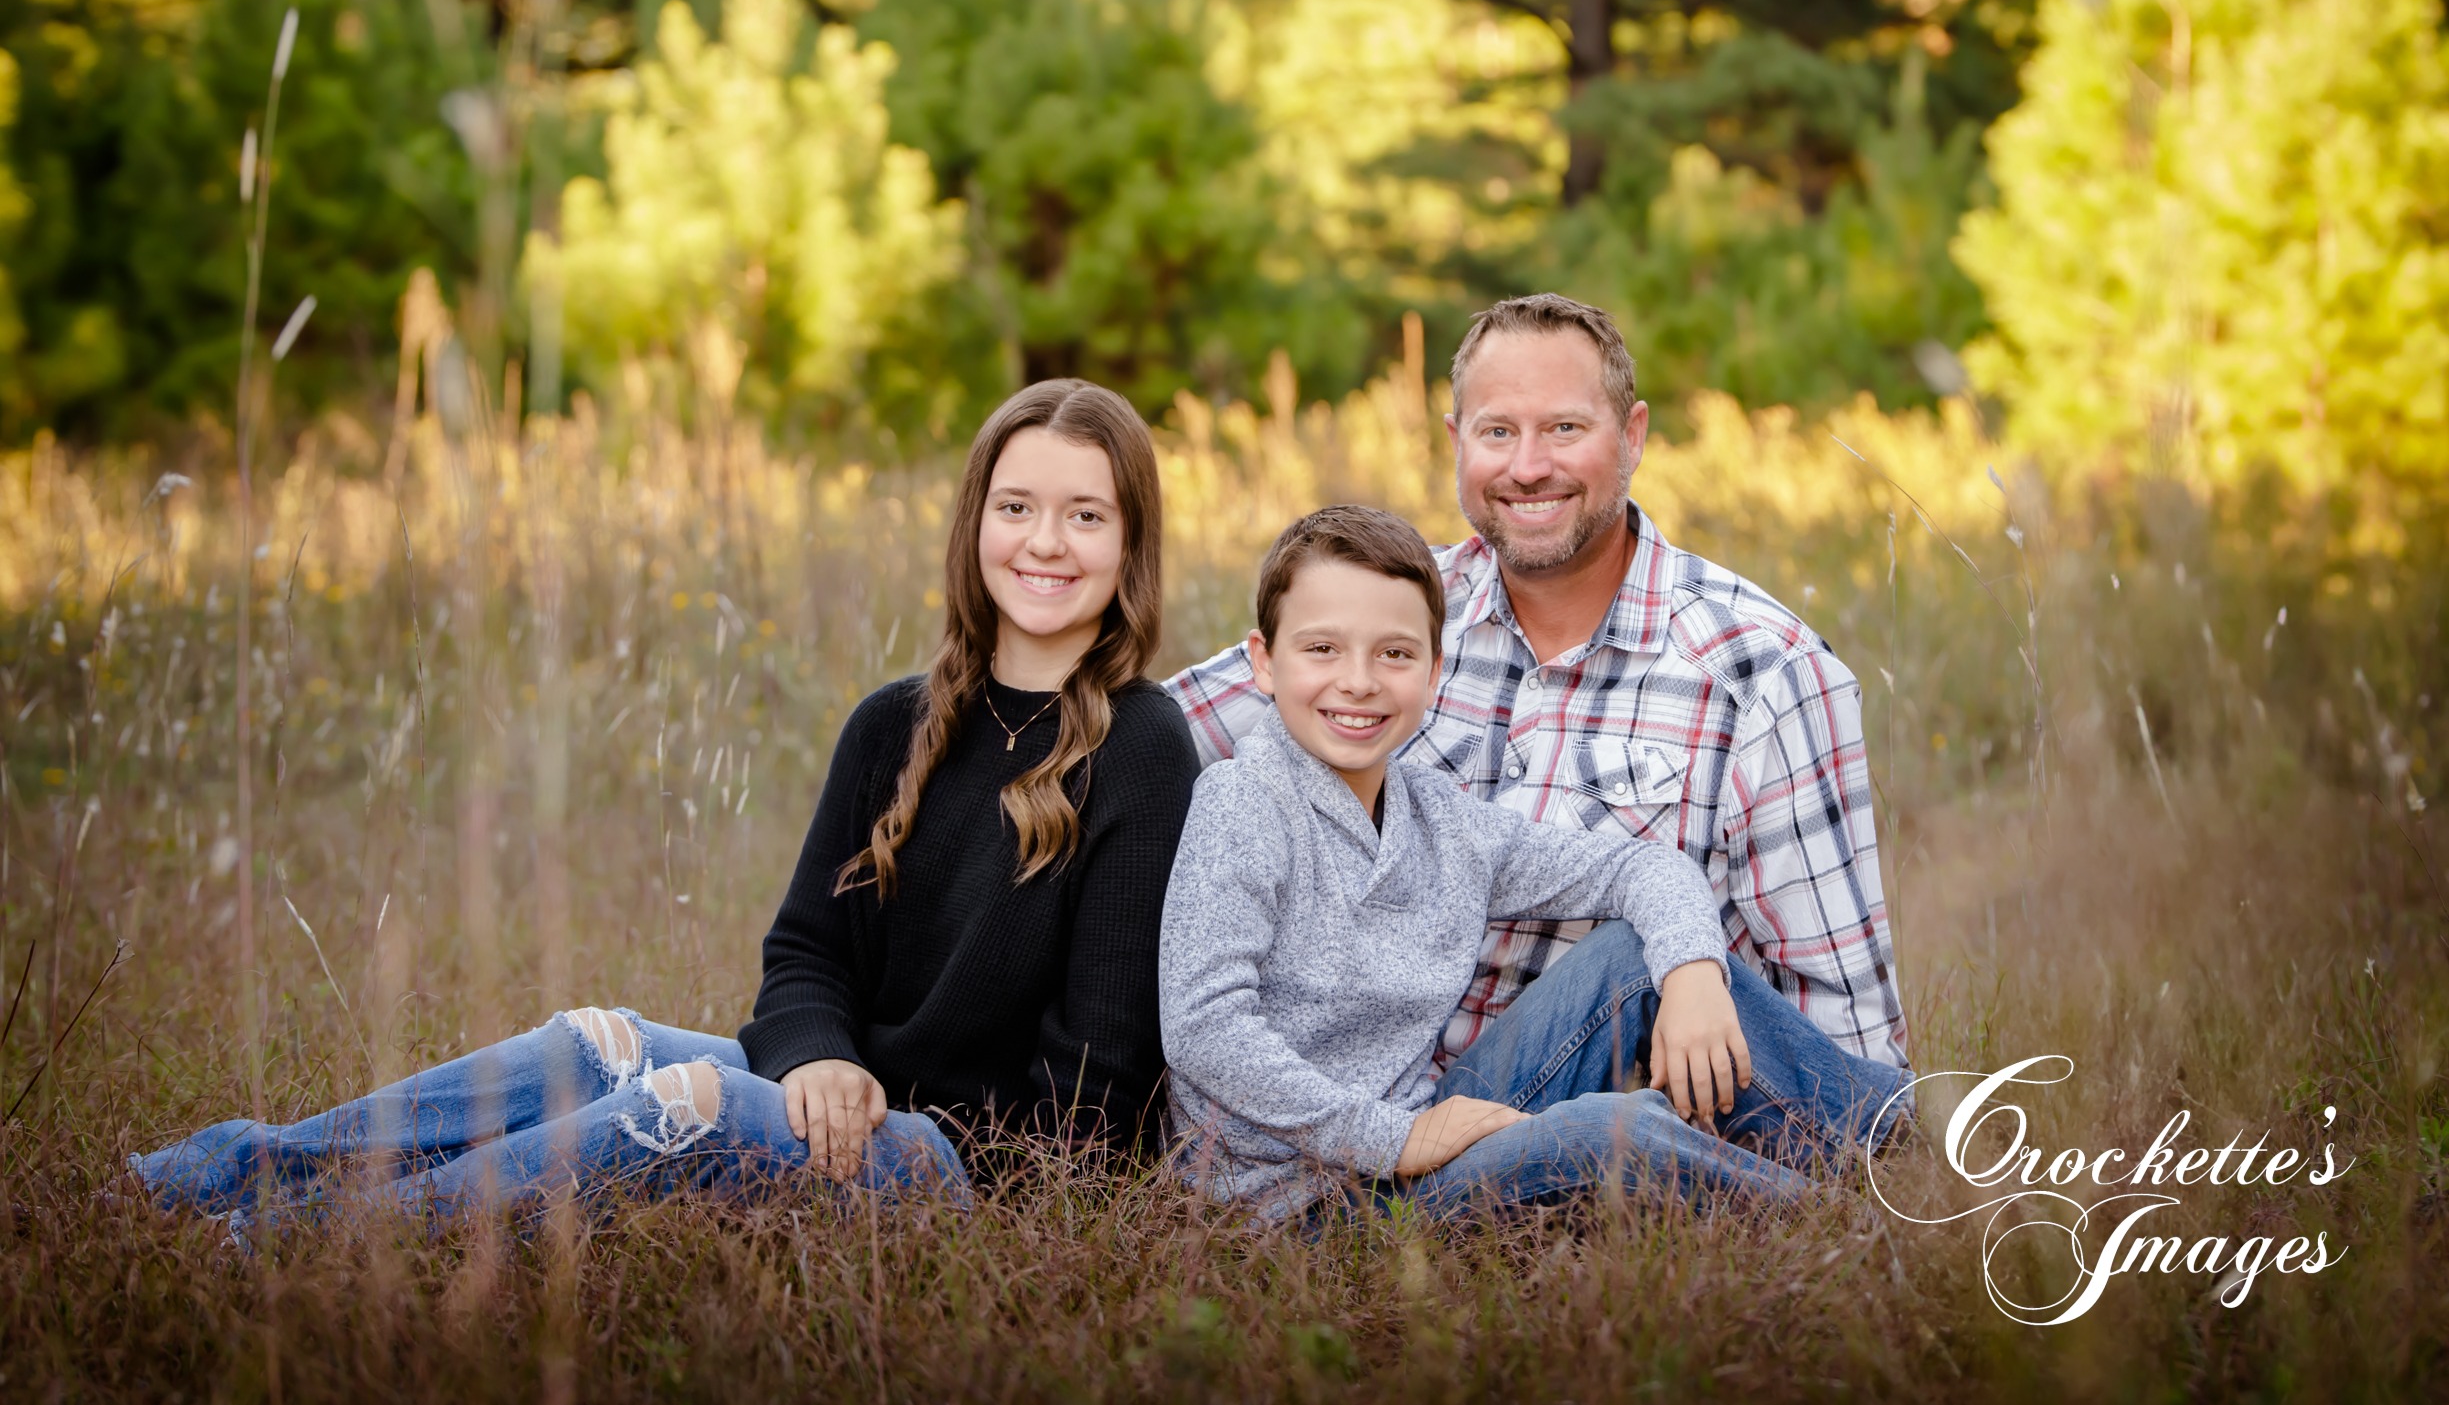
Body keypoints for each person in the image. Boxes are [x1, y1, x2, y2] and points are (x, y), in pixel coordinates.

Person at [133, 379, 1200, 1224]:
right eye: (1016, 507)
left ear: (1128, 542)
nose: (1045, 543)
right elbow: (805, 957)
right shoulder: (896, 723)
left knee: (682, 1105)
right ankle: (218, 1173)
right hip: (853, 1093)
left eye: (1084, 515)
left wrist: (871, 1115)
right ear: (977, 521)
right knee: (594, 1041)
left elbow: (1099, 1078)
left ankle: (290, 1245)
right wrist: (819, 1060)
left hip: (973, 1171)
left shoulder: (1145, 747)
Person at [1167, 294, 1908, 1072]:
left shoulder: (1762, 670)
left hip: (1617, 1120)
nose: (1527, 467)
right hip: (1369, 1117)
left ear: (1633, 436)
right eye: (1496, 432)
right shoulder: (1390, 614)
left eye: (1563, 428)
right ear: (1456, 443)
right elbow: (1146, 738)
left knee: (1632, 960)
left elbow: (1841, 1018)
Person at [1159, 506, 1909, 1220]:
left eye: (1393, 653)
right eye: (1321, 649)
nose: (1357, 680)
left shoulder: (1436, 816)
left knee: (1635, 955)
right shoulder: (1243, 801)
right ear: (1263, 661)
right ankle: (1870, 1238)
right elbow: (1204, 1028)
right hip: (1304, 1202)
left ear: (1434, 670)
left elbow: (1640, 867)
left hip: (1422, 1136)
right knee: (1608, 1131)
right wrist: (1394, 1139)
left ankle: (1900, 1144)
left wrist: (1689, 968)